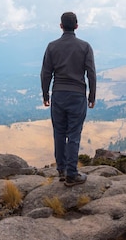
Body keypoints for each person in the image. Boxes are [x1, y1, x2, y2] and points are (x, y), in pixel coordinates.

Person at [40, 12, 96, 187]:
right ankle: (72, 174)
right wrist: (92, 96)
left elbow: (45, 73)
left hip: (58, 95)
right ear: (77, 26)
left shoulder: (52, 47)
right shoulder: (85, 47)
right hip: (77, 96)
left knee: (59, 133)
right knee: (73, 134)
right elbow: (91, 73)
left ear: (61, 26)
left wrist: (45, 94)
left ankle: (61, 171)